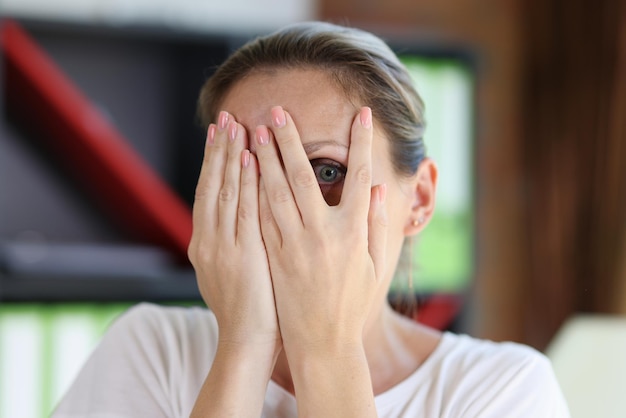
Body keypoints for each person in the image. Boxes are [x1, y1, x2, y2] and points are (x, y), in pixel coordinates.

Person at [52, 21, 569, 417]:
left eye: (325, 170)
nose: (283, 209)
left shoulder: (501, 390)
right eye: (250, 170)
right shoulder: (152, 348)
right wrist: (243, 345)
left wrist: (325, 348)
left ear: (420, 199)